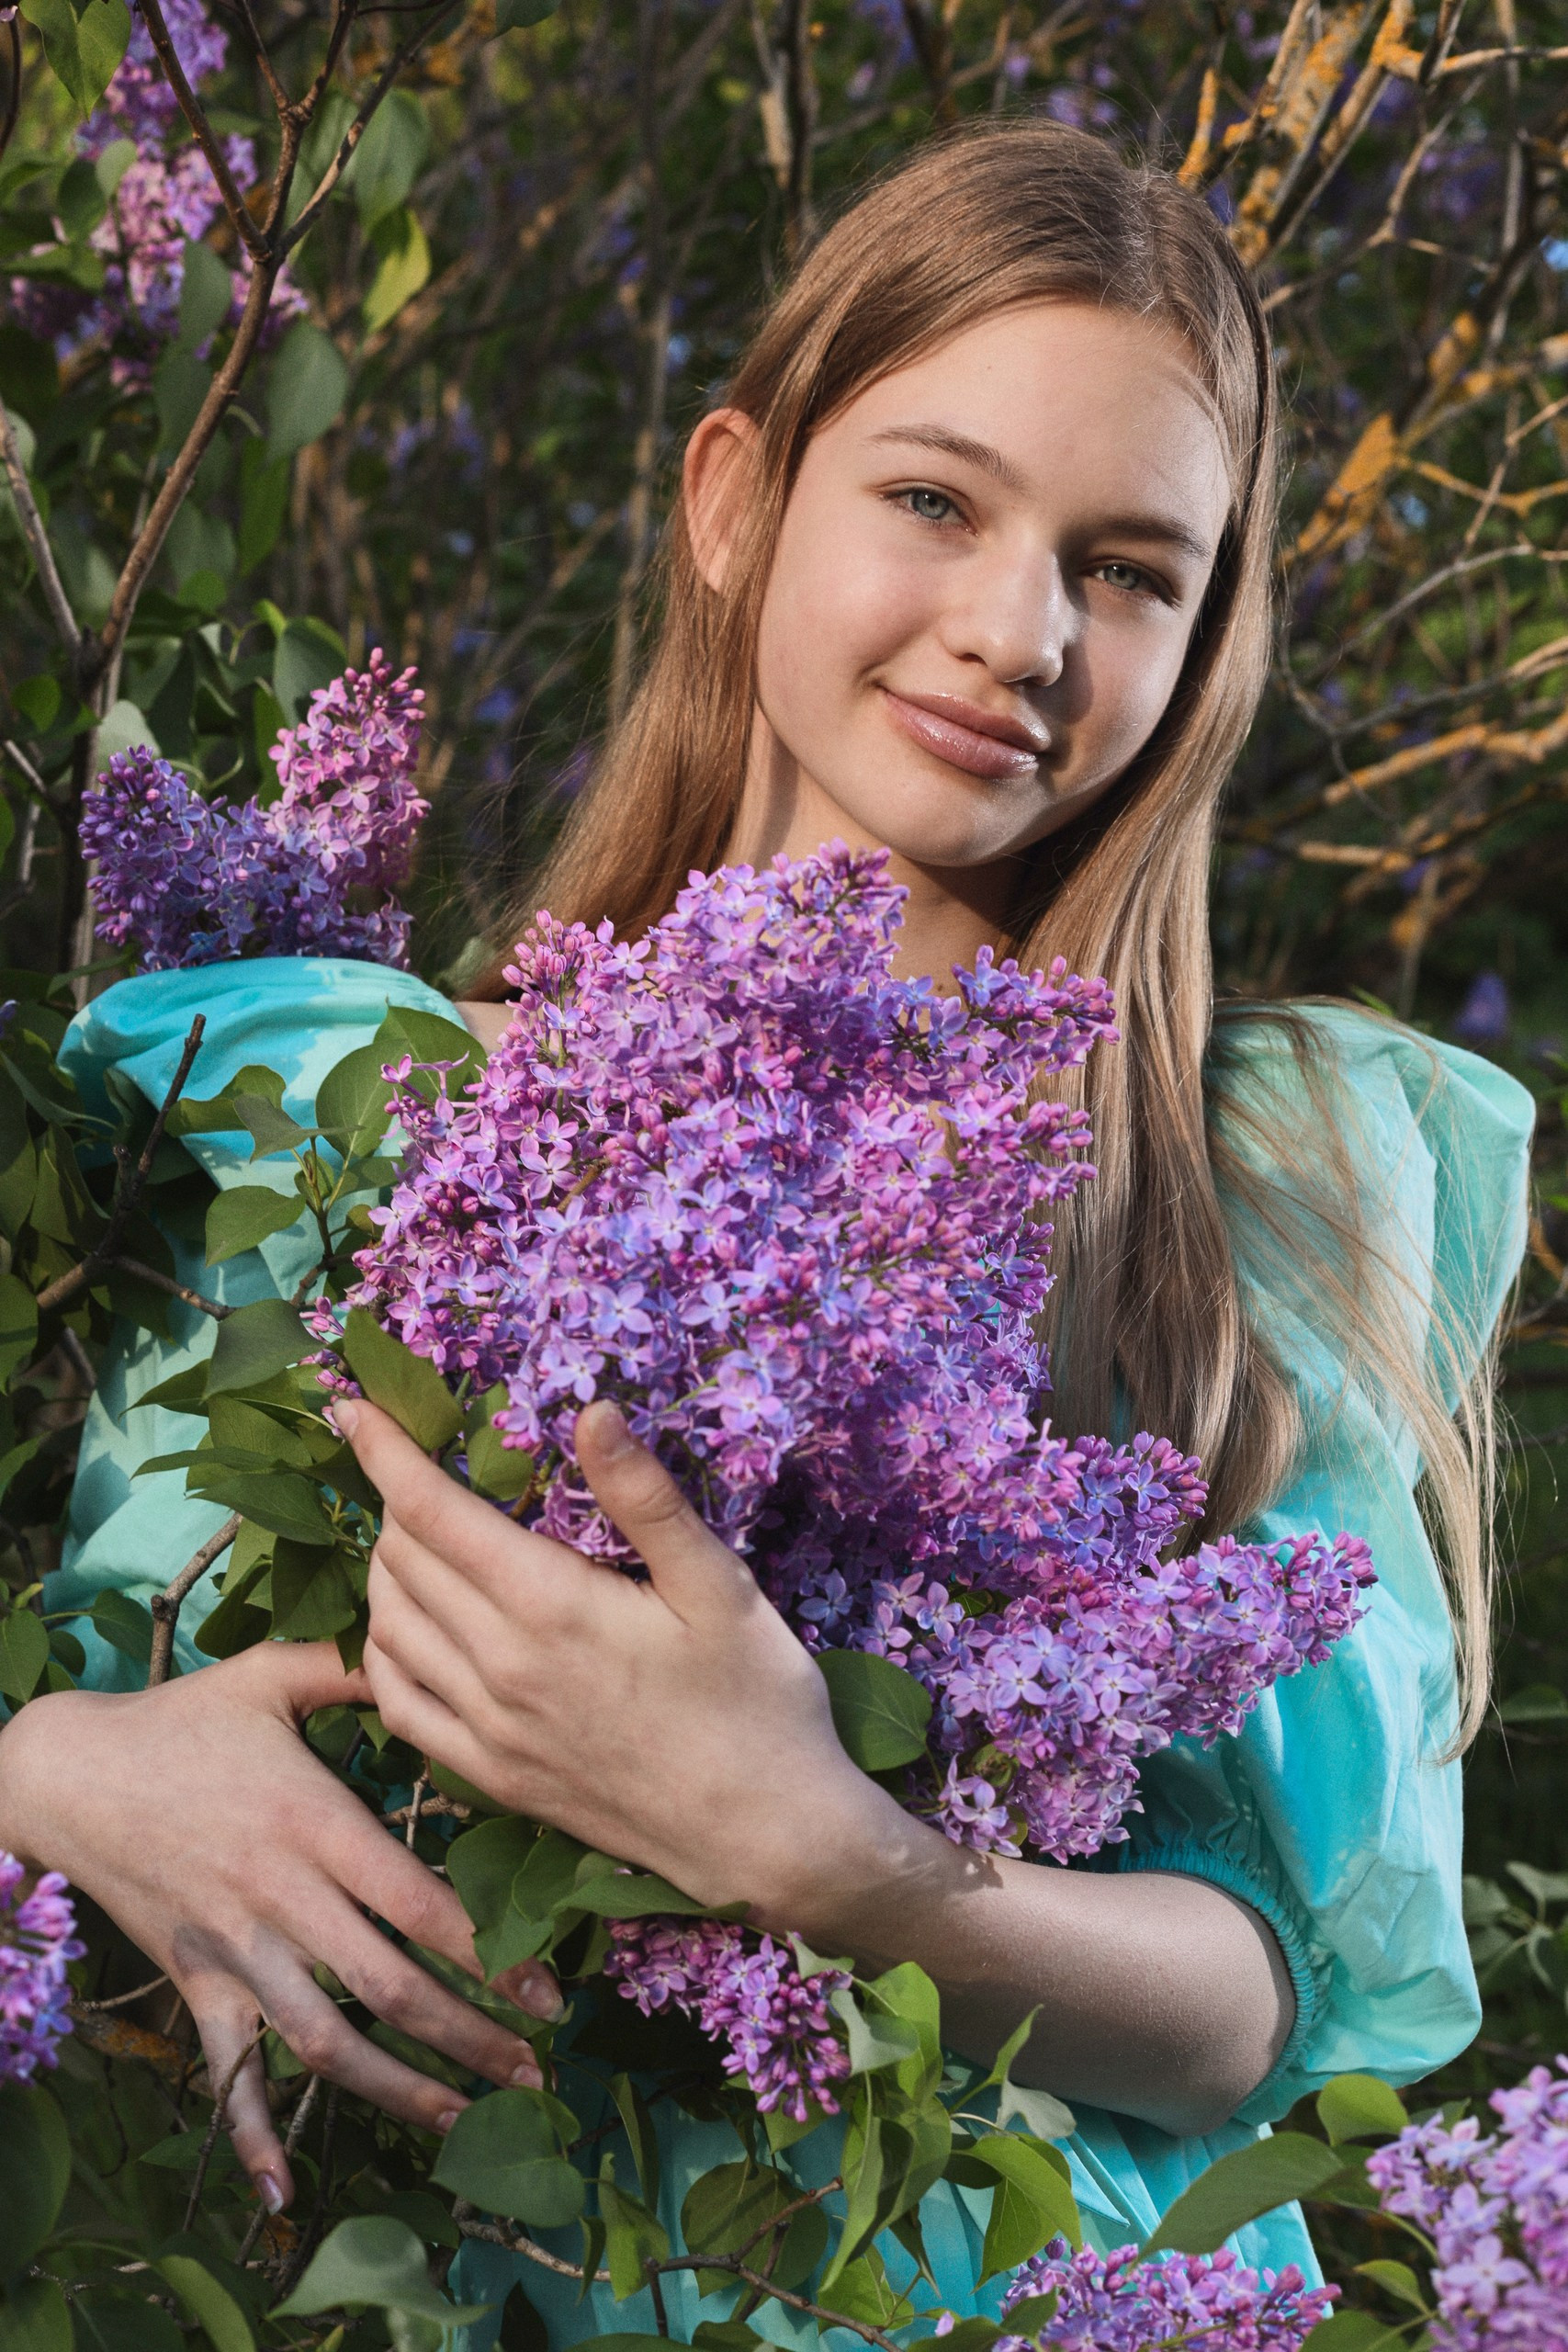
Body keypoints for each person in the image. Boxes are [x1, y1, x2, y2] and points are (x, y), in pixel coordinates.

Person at [0, 123, 1532, 2342]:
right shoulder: (325, 1089)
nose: (1017, 631)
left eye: (1127, 569)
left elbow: (1262, 1994)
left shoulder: (1234, 1175)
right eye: (933, 497)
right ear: (733, 499)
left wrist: (822, 1849)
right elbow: (131, 1659)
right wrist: (51, 1759)